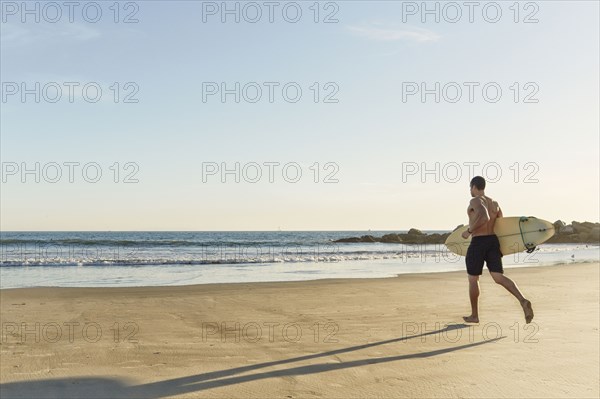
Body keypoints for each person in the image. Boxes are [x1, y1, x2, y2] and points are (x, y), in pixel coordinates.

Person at [461, 176, 534, 324]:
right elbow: (502, 224)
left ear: (474, 186)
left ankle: (474, 315)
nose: (470, 190)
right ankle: (522, 300)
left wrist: (469, 231)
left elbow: (484, 216)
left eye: (470, 187)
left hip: (478, 242)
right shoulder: (495, 203)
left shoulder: (475, 201)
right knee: (498, 276)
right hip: (493, 241)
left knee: (473, 279)